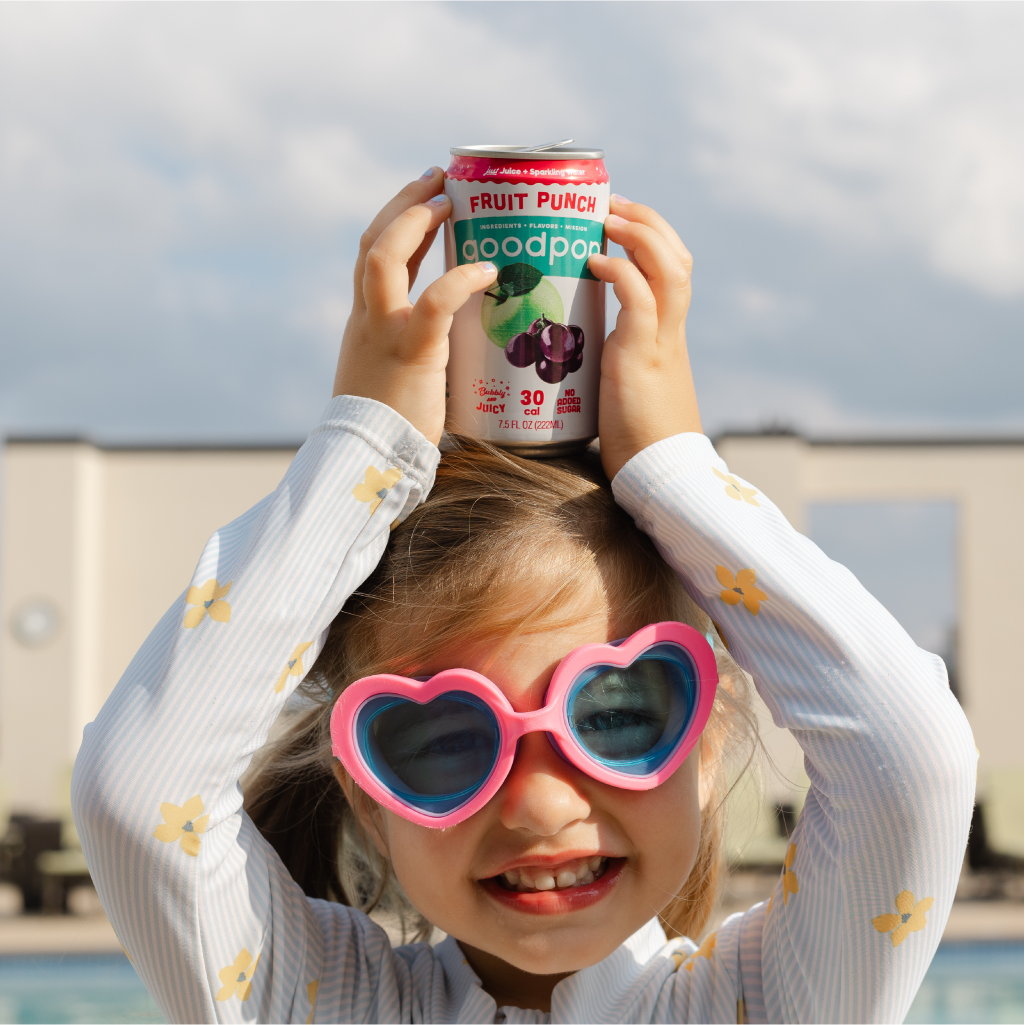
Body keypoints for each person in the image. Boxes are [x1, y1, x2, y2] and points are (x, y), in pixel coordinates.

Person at [72, 166, 975, 1024]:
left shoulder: (773, 1004)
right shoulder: (320, 1001)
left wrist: (674, 473)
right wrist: (363, 447)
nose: (541, 808)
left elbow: (913, 758)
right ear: (369, 801)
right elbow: (140, 792)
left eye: (615, 714)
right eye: (445, 741)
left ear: (704, 750)